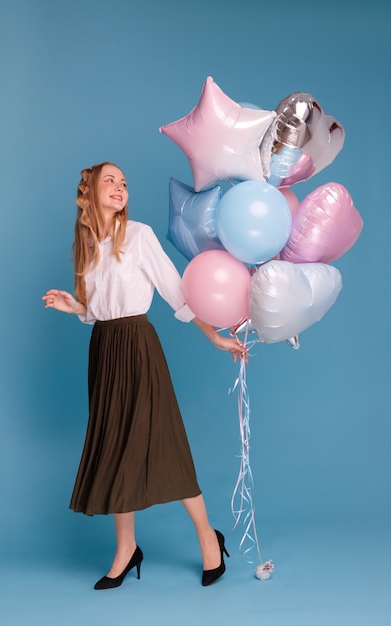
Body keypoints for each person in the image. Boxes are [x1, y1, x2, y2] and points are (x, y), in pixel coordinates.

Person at [42, 162, 246, 590]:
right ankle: (126, 549)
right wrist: (75, 307)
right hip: (104, 348)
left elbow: (176, 292)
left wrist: (213, 337)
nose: (120, 188)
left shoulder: (139, 235)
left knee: (164, 440)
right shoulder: (86, 247)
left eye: (124, 183)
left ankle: (209, 539)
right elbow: (99, 310)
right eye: (110, 181)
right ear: (90, 191)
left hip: (137, 345)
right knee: (116, 446)